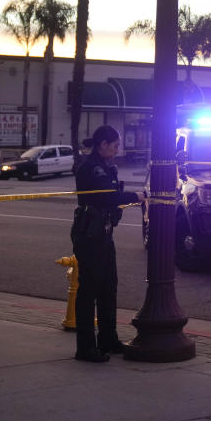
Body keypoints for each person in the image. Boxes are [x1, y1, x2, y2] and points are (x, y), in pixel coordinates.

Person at [70, 124, 141, 362]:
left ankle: (108, 339)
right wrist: (136, 197)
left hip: (103, 232)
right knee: (89, 289)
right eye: (115, 146)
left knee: (108, 287)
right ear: (103, 145)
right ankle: (86, 347)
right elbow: (107, 196)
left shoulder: (105, 166)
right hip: (90, 234)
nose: (117, 150)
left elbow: (111, 195)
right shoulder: (91, 168)